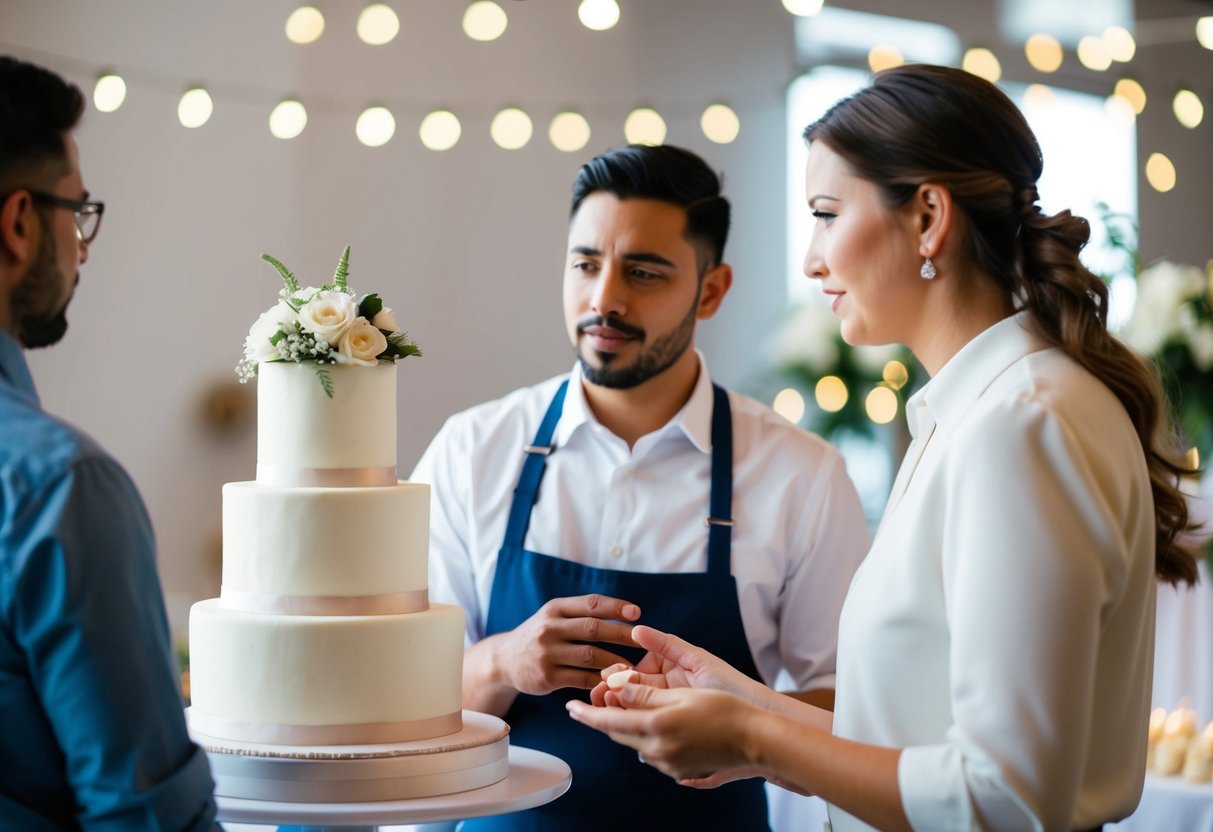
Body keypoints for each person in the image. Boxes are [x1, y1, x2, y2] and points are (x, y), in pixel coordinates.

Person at [567, 64, 1200, 832]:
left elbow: (1006, 796)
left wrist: (749, 735)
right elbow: (919, 743)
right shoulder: (968, 411)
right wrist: (746, 703)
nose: (809, 258)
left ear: (928, 215)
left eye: (826, 213)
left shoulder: (1020, 423)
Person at [410, 143, 869, 830]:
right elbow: (398, 696)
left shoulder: (799, 475)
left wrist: (738, 716)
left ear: (710, 291)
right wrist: (501, 662)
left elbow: (851, 709)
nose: (605, 300)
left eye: (644, 273)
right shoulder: (471, 450)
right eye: (585, 264)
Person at [0, 55, 220, 830]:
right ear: (20, 223)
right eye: (77, 209)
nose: (83, 245)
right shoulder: (60, 486)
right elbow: (145, 817)